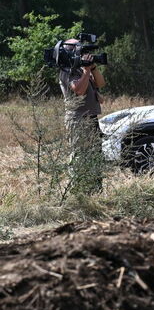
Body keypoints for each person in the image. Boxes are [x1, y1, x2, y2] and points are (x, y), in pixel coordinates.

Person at [58, 39, 106, 195]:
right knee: (80, 156)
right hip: (78, 119)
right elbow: (78, 89)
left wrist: (92, 68)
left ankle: (95, 191)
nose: (84, 53)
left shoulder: (82, 69)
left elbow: (101, 83)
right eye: (79, 49)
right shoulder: (67, 70)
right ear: (71, 51)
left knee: (95, 154)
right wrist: (86, 71)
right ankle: (78, 192)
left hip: (91, 118)